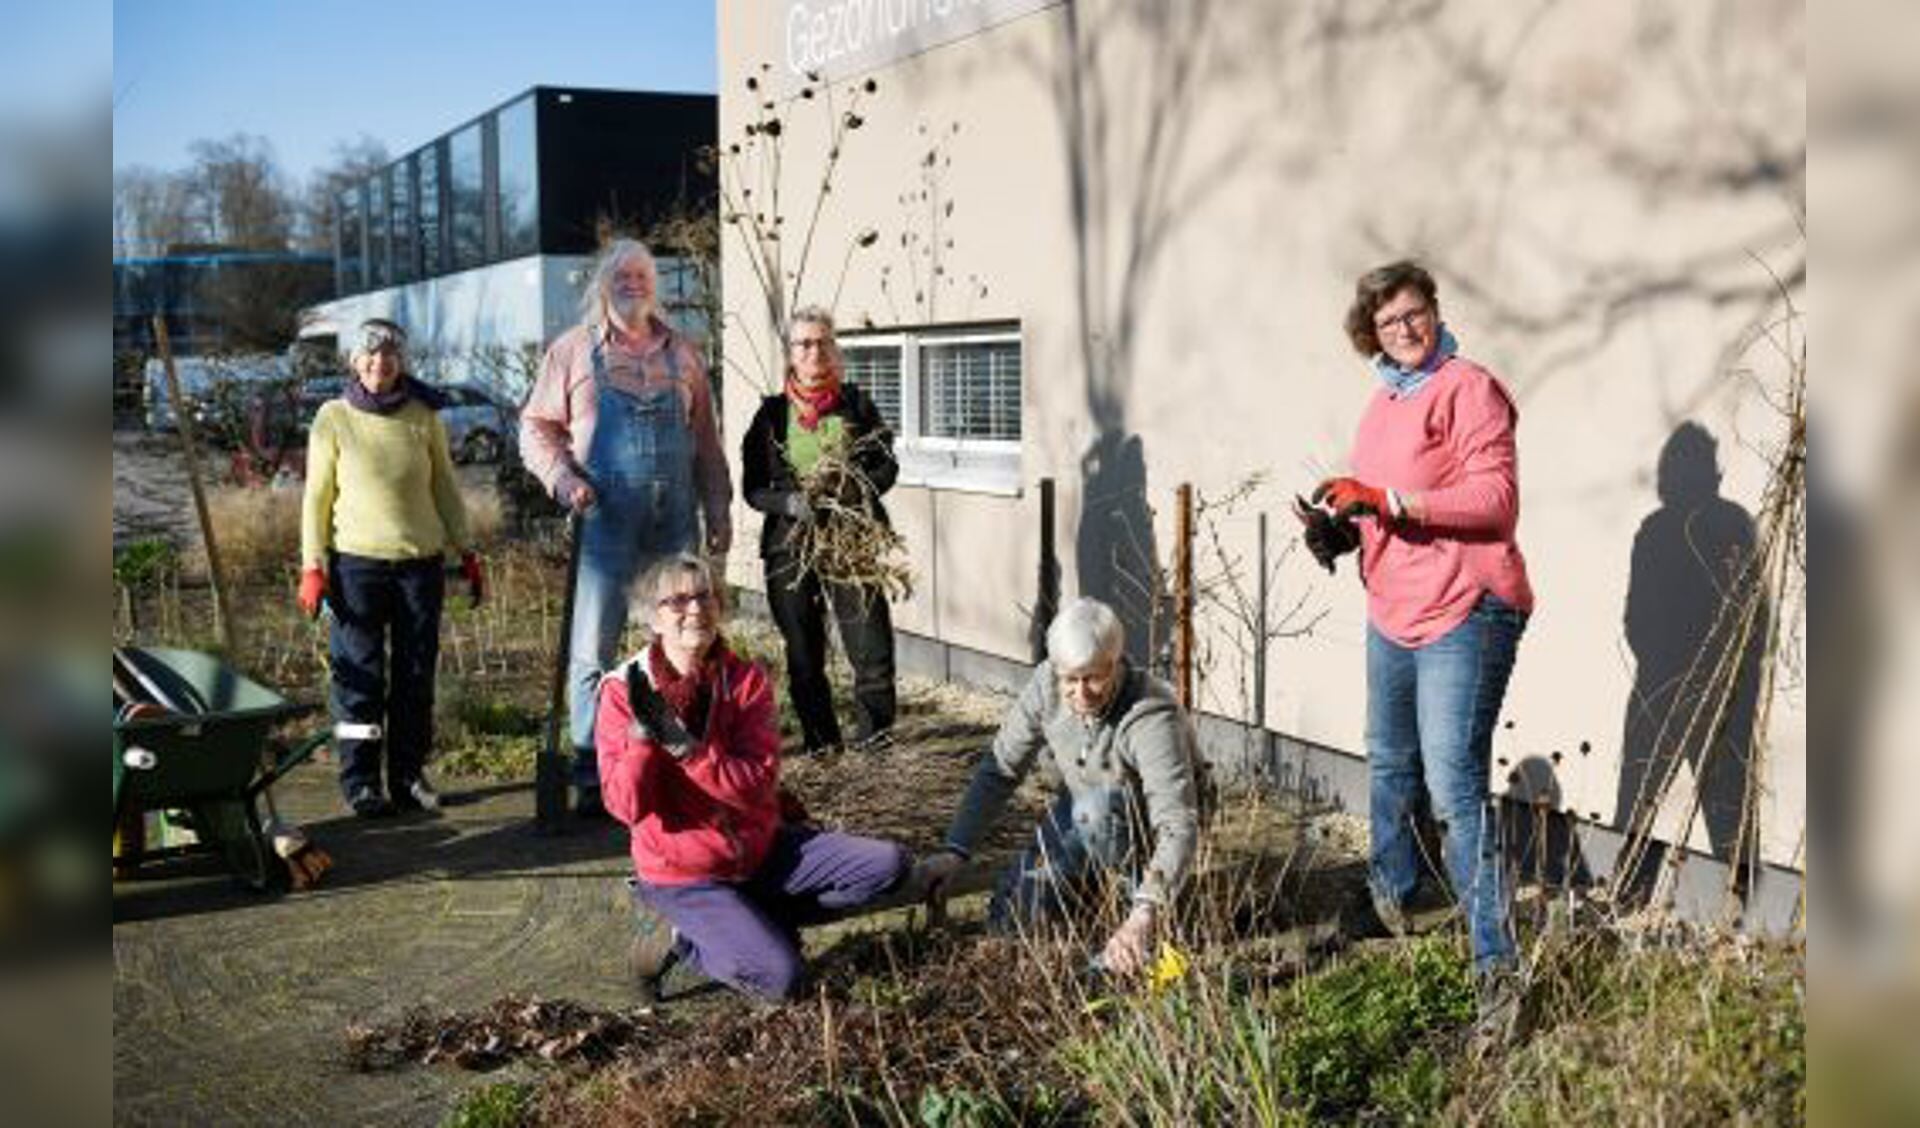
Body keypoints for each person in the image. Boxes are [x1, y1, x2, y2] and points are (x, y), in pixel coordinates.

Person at [1298, 259, 1534, 1029]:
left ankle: (1496, 967)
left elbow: (1495, 503)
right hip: (1394, 608)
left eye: (1414, 313)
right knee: (1392, 762)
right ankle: (1394, 899)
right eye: (1388, 322)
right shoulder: (1382, 403)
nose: (1404, 329)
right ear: (1370, 333)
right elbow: (1379, 509)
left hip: (1466, 606)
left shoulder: (1469, 388)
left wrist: (1389, 498)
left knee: (1453, 786)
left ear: (1435, 310)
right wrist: (1342, 529)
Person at [598, 553, 910, 1001]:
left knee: (888, 866)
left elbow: (755, 784)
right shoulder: (622, 691)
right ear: (653, 617)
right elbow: (626, 807)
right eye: (677, 600)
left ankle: (751, 917)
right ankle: (683, 939)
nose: (695, 609)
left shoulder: (744, 681)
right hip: (686, 874)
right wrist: (644, 741)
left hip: (762, 851)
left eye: (705, 596)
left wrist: (688, 752)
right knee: (782, 979)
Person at [520, 238, 733, 816]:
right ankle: (593, 771)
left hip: (674, 526)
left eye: (643, 274)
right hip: (604, 520)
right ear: (602, 285)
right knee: (592, 648)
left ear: (655, 285)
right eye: (622, 275)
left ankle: (679, 762)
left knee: (682, 641)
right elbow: (535, 429)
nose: (634, 283)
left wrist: (719, 510)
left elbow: (708, 447)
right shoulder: (571, 352)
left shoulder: (684, 355)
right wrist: (564, 479)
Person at [915, 597, 1201, 978]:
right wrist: (957, 849)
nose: (1081, 693)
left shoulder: (1150, 715)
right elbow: (999, 771)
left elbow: (1178, 822)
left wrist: (1145, 911)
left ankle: (1146, 911)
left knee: (1095, 814)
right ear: (1056, 669)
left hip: (1144, 821)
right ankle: (1087, 893)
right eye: (1071, 679)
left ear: (1115, 663)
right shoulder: (1046, 685)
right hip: (1085, 806)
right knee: (1017, 913)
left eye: (1093, 678)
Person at [298, 318, 484, 817]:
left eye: (390, 355)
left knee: (415, 677)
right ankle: (360, 781)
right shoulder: (333, 417)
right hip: (356, 569)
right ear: (356, 362)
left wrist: (466, 550)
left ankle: (407, 776)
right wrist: (312, 566)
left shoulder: (424, 415)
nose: (381, 363)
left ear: (401, 361)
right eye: (371, 355)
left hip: (419, 567)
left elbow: (444, 485)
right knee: (359, 677)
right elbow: (316, 498)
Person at [741, 305, 899, 754]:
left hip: (850, 541)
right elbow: (753, 488)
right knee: (805, 657)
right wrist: (790, 502)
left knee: (872, 652)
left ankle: (876, 750)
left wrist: (854, 490)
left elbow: (887, 465)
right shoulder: (771, 417)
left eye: (824, 342)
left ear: (835, 349)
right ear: (791, 353)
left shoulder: (858, 405)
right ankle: (823, 750)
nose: (815, 351)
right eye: (804, 343)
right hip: (790, 545)